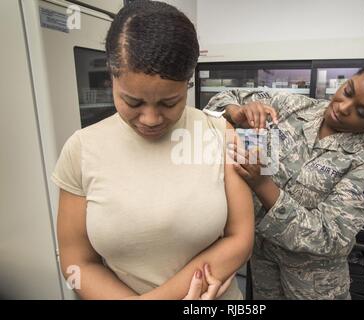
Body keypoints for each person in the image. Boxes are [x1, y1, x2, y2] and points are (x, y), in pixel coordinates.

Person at [53, 0, 254, 300]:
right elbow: (76, 261)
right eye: (132, 102)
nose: (150, 119)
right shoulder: (81, 149)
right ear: (111, 78)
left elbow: (241, 239)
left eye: (168, 103)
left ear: (187, 84)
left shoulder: (218, 133)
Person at [204, 49, 364, 299]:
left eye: (362, 112)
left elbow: (328, 236)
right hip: (262, 261)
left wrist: (261, 184)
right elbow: (220, 99)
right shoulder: (292, 106)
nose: (343, 107)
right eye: (348, 91)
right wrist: (237, 111)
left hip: (314, 282)